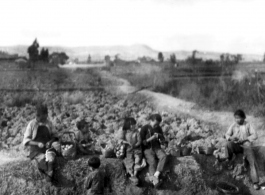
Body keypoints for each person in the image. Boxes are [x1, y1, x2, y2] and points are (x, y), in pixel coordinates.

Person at [23, 103, 60, 182]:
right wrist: (37, 143)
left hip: (47, 147)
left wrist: (50, 141)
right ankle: (48, 173)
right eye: (39, 116)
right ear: (38, 115)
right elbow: (26, 141)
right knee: (42, 158)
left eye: (45, 116)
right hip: (36, 149)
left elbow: (55, 135)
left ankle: (50, 172)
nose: (44, 118)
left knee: (51, 157)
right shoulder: (32, 124)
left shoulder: (48, 123)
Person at [224, 109, 259, 190]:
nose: (237, 120)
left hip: (246, 146)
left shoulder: (248, 125)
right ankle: (228, 159)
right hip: (237, 146)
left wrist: (246, 139)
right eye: (236, 118)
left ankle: (256, 182)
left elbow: (255, 135)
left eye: (239, 118)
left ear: (243, 117)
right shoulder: (233, 125)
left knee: (252, 161)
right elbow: (227, 134)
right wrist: (231, 138)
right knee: (228, 144)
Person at [140, 114, 167, 187]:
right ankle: (154, 181)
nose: (156, 126)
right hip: (147, 149)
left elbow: (162, 138)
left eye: (158, 124)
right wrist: (151, 138)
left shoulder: (158, 128)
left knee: (163, 156)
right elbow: (141, 142)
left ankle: (156, 175)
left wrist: (162, 140)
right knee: (152, 162)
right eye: (155, 124)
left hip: (156, 147)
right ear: (150, 121)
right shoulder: (144, 128)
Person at [119, 118, 143, 184]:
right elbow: (120, 139)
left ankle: (135, 175)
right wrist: (127, 143)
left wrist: (135, 145)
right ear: (128, 125)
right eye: (132, 125)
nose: (133, 126)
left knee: (137, 159)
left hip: (137, 149)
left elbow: (139, 141)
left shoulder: (136, 131)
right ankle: (132, 175)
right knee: (129, 161)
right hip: (128, 149)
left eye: (134, 125)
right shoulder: (125, 131)